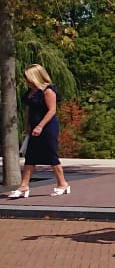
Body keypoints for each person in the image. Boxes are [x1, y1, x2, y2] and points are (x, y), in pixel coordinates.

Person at [10, 64, 70, 198]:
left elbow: (52, 110)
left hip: (47, 127)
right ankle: (24, 186)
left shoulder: (47, 91)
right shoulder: (31, 92)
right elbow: (29, 110)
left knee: (51, 154)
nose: (26, 80)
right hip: (34, 127)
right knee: (30, 156)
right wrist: (27, 125)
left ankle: (62, 183)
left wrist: (40, 126)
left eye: (28, 77)